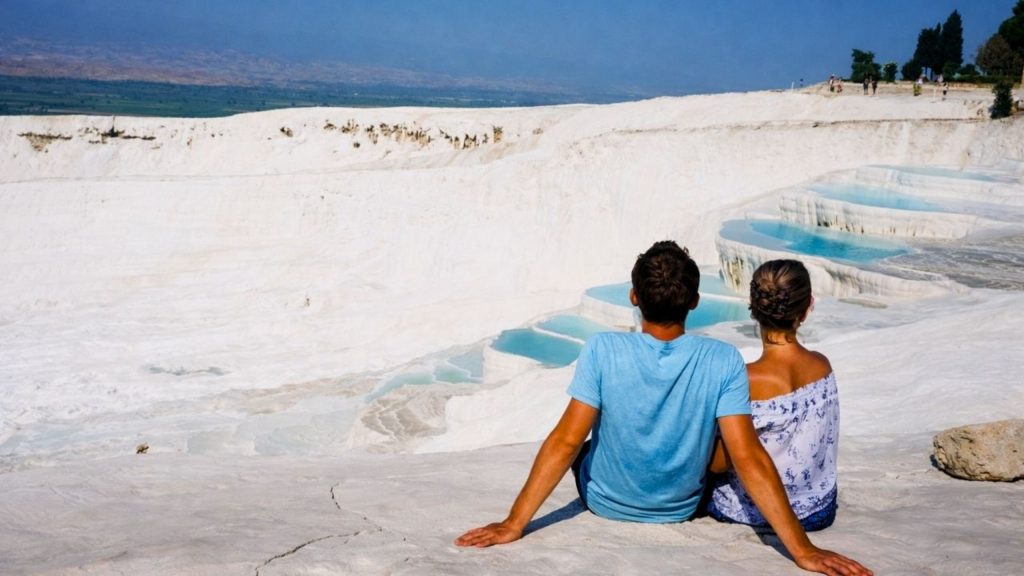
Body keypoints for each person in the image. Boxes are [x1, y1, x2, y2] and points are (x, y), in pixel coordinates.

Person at [455, 242, 872, 576]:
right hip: (679, 507)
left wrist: (514, 523)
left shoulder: (603, 349)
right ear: (693, 301)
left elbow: (565, 441)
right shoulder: (723, 359)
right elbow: (747, 457)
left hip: (606, 502)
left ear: (634, 297)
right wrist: (802, 550)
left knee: (584, 448)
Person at [706, 259, 839, 532]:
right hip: (819, 509)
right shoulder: (822, 367)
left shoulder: (745, 380)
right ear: (806, 309)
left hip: (755, 512)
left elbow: (719, 464)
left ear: (754, 310)